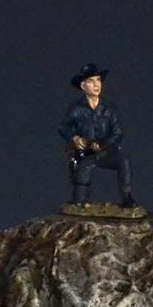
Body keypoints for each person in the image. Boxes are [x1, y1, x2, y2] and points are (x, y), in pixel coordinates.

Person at [59, 63, 135, 207]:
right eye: (91, 81)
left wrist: (104, 144)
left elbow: (118, 133)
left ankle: (127, 198)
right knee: (82, 172)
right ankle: (79, 202)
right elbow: (63, 128)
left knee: (124, 162)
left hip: (106, 152)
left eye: (98, 80)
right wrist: (75, 138)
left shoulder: (109, 109)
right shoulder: (76, 109)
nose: (96, 84)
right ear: (83, 86)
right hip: (85, 152)